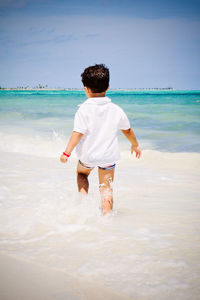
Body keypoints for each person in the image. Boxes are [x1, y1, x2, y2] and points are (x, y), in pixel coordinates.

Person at [60, 64, 142, 215]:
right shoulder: (116, 110)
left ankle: (83, 204)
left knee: (82, 174)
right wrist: (135, 145)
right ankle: (107, 217)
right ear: (108, 86)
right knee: (106, 188)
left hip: (88, 156)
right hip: (108, 157)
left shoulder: (83, 110)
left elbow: (77, 133)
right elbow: (127, 130)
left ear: (86, 89)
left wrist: (66, 153)